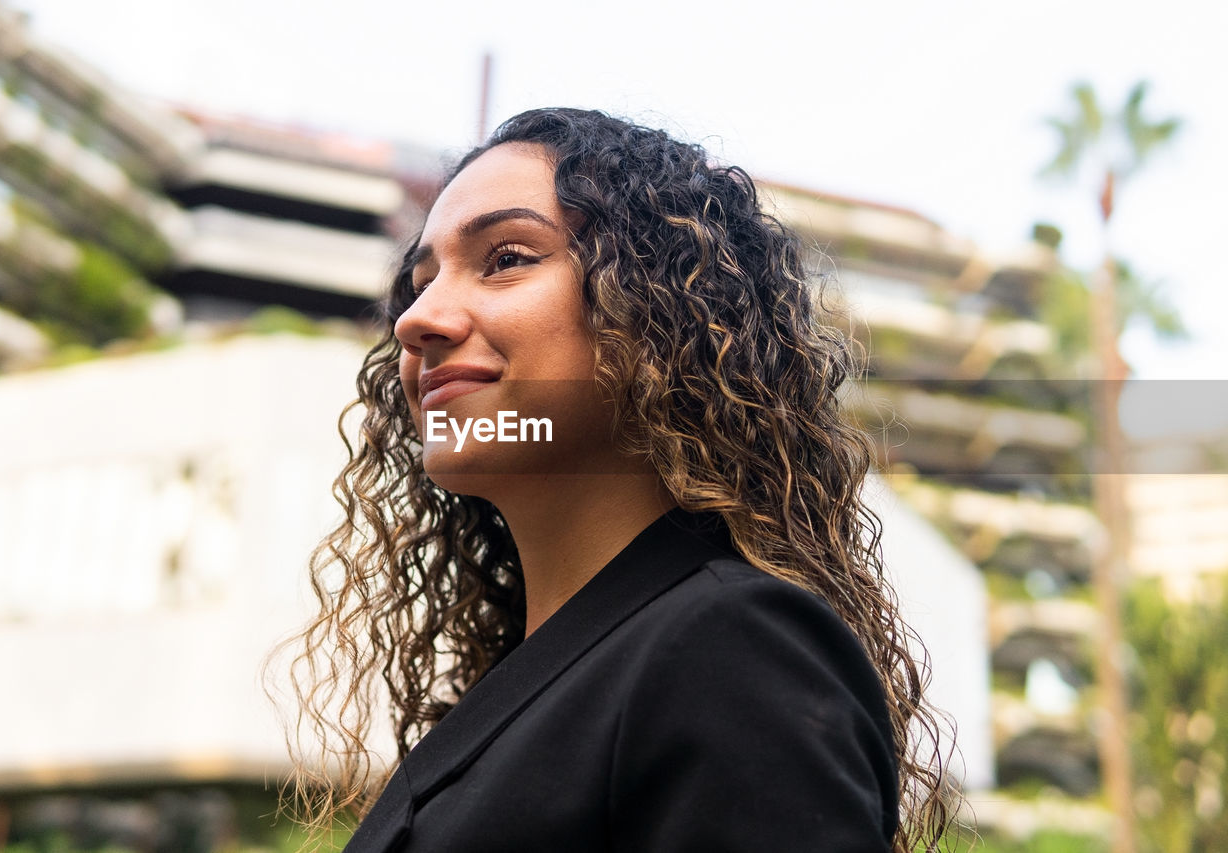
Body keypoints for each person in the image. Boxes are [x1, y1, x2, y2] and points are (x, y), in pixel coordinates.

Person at [278, 108, 956, 852]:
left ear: (657, 312)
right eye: (421, 281)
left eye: (505, 258)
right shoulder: (555, 676)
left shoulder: (729, 647)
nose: (416, 320)